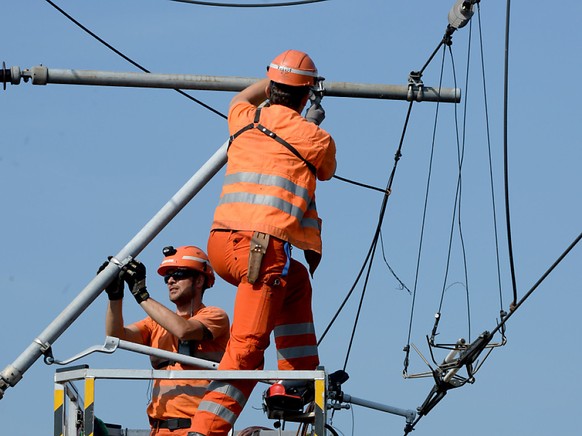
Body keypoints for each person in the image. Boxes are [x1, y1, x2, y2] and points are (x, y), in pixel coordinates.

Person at [189, 49, 337, 436]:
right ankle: (204, 430)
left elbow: (239, 98)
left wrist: (270, 87)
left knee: (296, 282)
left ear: (271, 87)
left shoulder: (245, 119)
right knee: (248, 349)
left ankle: (293, 382)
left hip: (223, 246)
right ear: (306, 96)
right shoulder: (315, 137)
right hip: (262, 251)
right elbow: (326, 170)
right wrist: (310, 121)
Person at [102, 245, 230, 436]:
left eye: (178, 274)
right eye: (167, 277)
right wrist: (115, 296)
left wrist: (141, 295)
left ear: (199, 280)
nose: (170, 280)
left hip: (199, 429)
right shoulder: (155, 324)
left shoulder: (215, 316)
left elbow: (184, 330)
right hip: (159, 430)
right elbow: (116, 337)